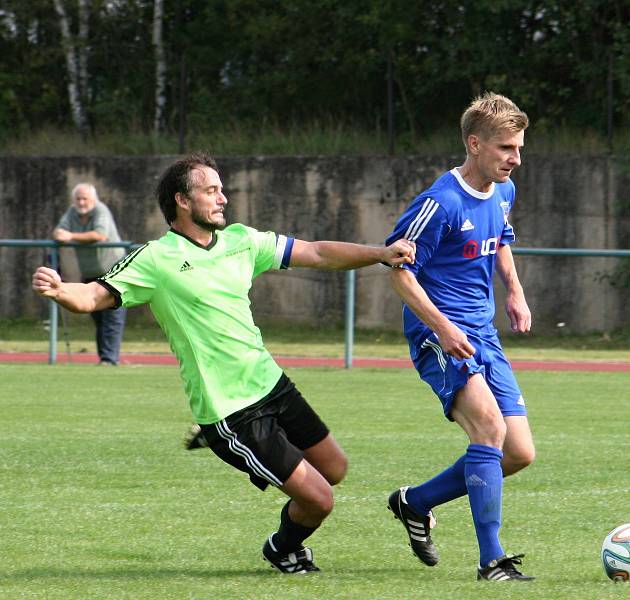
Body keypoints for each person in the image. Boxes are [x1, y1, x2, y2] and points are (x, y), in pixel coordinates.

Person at [33, 153, 416, 574]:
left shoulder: (241, 240)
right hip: (231, 409)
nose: (223, 198)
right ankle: (283, 548)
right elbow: (94, 296)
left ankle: (265, 471)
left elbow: (318, 252)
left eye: (221, 189)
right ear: (182, 200)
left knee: (335, 469)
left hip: (272, 385)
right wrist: (60, 289)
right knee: (320, 499)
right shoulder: (157, 258)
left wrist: (379, 253)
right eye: (211, 190)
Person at [384, 93, 535, 582]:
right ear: (475, 144)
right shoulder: (438, 204)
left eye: (518, 148)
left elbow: (501, 241)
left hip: (483, 333)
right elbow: (399, 273)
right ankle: (492, 561)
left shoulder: (503, 191)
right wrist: (443, 328)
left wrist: (514, 291)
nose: (515, 158)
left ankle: (416, 502)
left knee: (518, 452)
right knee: (489, 430)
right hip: (439, 334)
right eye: (506, 148)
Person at [53, 183, 127, 365]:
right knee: (99, 319)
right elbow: (58, 231)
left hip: (113, 271)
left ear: (94, 199)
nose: (81, 202)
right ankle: (105, 358)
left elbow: (100, 235)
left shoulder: (101, 210)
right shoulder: (72, 212)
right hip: (91, 274)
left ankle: (109, 359)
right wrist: (60, 234)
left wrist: (69, 236)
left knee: (112, 318)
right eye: (78, 198)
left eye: (85, 198)